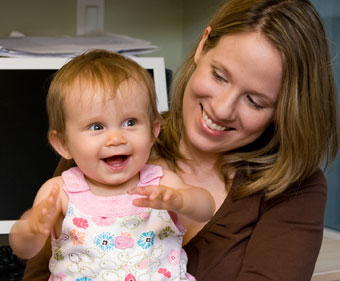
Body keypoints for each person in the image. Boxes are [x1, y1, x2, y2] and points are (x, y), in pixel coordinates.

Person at [22, 0, 339, 280]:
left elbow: (198, 205)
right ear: (203, 45)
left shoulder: (295, 187)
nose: (222, 109)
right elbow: (40, 268)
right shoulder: (106, 149)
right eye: (219, 75)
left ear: (284, 109)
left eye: (255, 101)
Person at [10, 49, 215, 281]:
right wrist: (33, 228)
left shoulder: (161, 182)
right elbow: (23, 249)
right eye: (97, 127)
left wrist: (181, 201)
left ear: (153, 132)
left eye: (130, 122)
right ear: (63, 144)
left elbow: (205, 209)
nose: (116, 138)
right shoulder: (60, 193)